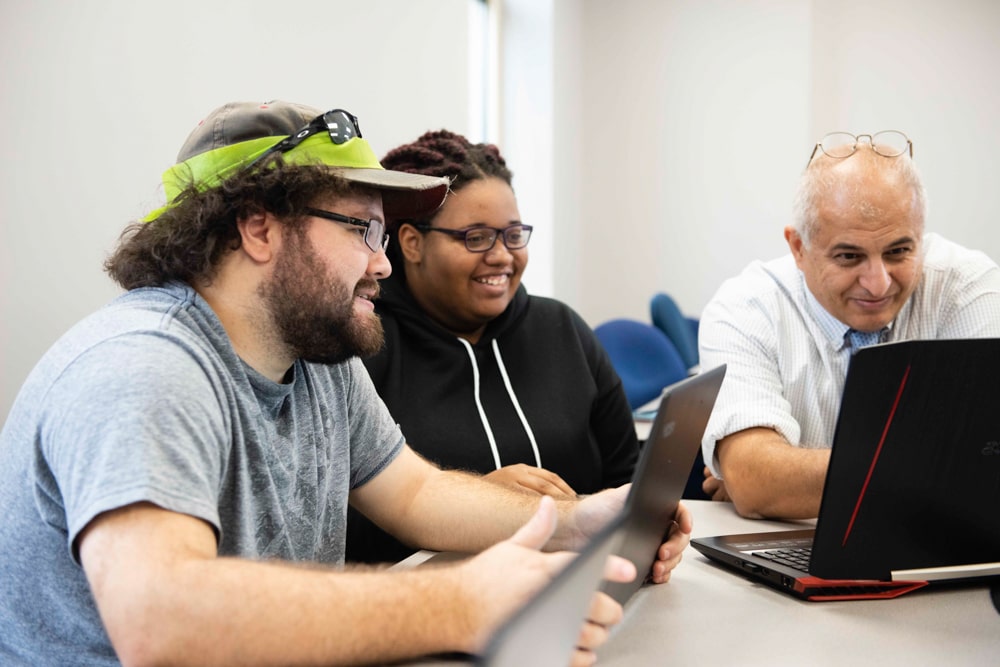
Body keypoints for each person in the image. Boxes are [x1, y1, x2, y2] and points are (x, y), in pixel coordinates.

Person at [0, 101, 692, 666]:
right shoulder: (143, 368)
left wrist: (577, 523)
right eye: (362, 229)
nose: (382, 264)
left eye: (382, 236)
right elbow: (160, 622)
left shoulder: (318, 360)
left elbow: (416, 495)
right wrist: (460, 603)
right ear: (259, 228)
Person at [345, 130, 640, 564]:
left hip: (581, 575)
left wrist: (642, 530)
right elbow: (340, 526)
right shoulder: (361, 348)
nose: (502, 255)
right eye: (477, 237)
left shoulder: (561, 330)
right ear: (411, 242)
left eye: (513, 234)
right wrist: (478, 504)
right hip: (435, 593)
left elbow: (628, 476)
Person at [698, 130, 1000, 521]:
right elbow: (757, 481)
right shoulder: (745, 308)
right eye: (848, 257)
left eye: (899, 251)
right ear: (799, 248)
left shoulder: (967, 288)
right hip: (797, 543)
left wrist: (792, 482)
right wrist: (939, 464)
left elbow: (987, 461)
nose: (878, 283)